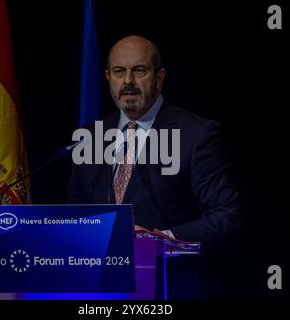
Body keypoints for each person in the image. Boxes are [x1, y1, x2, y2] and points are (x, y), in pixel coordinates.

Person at [68, 35, 242, 299]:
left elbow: (226, 215)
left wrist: (161, 240)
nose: (128, 81)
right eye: (119, 72)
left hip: (171, 288)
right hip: (99, 291)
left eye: (139, 71)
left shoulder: (196, 135)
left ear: (159, 77)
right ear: (107, 77)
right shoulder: (91, 136)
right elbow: (75, 214)